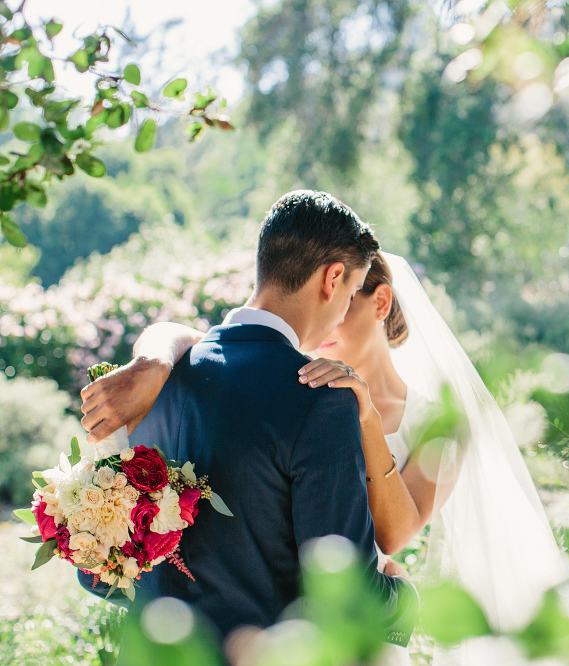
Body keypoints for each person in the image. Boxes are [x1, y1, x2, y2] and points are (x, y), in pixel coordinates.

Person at [82, 250, 569, 666]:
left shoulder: (435, 422)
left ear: (379, 303)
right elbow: (206, 341)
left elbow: (394, 535)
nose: (324, 325)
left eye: (343, 307)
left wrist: (363, 417)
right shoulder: (299, 381)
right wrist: (154, 357)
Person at [78, 191, 416, 663]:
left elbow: (97, 572)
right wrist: (405, 599)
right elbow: (344, 593)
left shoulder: (148, 386)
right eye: (351, 290)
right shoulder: (321, 402)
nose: (342, 314)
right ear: (333, 278)